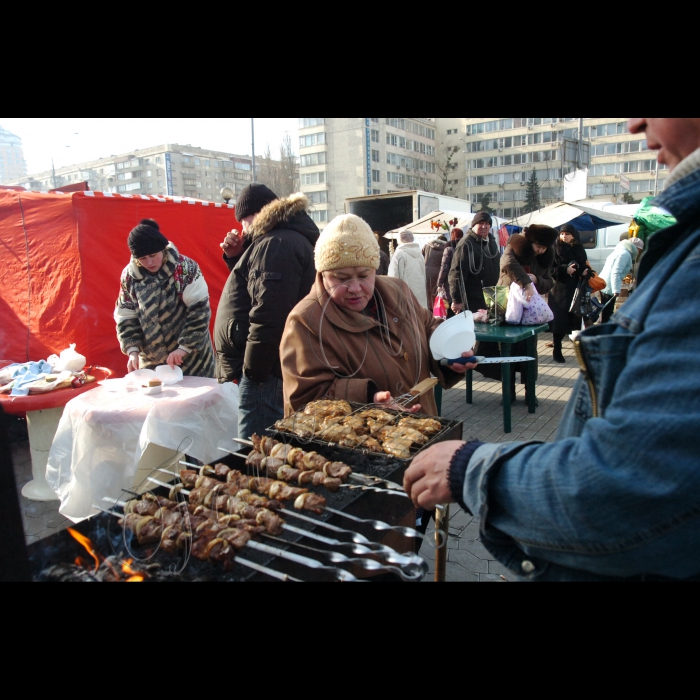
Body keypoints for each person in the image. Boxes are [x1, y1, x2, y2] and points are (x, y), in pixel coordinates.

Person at [403, 117, 700, 581]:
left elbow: (631, 486)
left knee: (526, 361)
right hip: (509, 309)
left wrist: (472, 470)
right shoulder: (502, 251)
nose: (635, 124)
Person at [280, 214, 469, 418]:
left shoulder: (398, 290)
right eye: (341, 278)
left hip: (422, 430)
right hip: (362, 444)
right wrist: (368, 397)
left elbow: (427, 326)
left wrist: (450, 351)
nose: (354, 288)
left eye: (363, 275)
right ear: (323, 274)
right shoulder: (304, 321)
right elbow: (303, 398)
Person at [213, 184, 320, 439]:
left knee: (257, 457)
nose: (242, 229)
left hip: (266, 370)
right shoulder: (277, 240)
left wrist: (255, 373)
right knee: (267, 451)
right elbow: (257, 294)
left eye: (244, 221)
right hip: (269, 367)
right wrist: (236, 257)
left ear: (258, 215)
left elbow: (269, 314)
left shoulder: (276, 244)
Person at [115, 219, 215, 377]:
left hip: (192, 360)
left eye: (153, 255)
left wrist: (184, 348)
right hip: (152, 363)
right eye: (142, 259)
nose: (149, 262)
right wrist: (132, 350)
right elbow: (126, 315)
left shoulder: (185, 269)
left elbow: (199, 311)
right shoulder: (130, 277)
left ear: (162, 249)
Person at [547, 224, 590, 363]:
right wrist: (565, 270)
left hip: (575, 289)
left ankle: (568, 346)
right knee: (559, 321)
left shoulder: (578, 248)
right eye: (562, 234)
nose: (564, 236)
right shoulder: (555, 249)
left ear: (573, 236)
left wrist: (583, 272)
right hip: (559, 290)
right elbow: (550, 270)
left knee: (572, 320)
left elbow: (583, 265)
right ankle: (557, 350)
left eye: (567, 234)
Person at [448, 212, 500, 315]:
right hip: (472, 300)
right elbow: (457, 272)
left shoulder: (491, 242)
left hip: (490, 297)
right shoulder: (466, 244)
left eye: (487, 223)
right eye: (481, 223)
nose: (484, 226)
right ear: (474, 225)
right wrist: (457, 299)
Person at [599, 237, 644, 324]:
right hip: (609, 286)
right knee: (607, 312)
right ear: (635, 247)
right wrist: (616, 289)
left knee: (606, 311)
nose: (639, 252)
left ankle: (604, 331)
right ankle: (605, 333)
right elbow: (616, 272)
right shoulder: (625, 254)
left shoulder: (620, 251)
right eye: (639, 249)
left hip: (605, 283)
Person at [388, 230, 429, 309]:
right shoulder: (420, 255)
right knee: (420, 317)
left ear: (399, 239)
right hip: (420, 293)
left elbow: (394, 277)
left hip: (406, 295)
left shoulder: (399, 254)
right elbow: (423, 275)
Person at [437, 228, 464, 319]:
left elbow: (444, 267)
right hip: (462, 280)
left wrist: (439, 283)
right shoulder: (465, 246)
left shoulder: (448, 248)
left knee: (449, 305)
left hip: (449, 280)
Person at [423, 232, 448, 307]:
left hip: (426, 272)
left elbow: (421, 257)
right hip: (438, 272)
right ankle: (436, 309)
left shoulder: (427, 246)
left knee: (427, 292)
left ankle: (428, 310)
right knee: (437, 292)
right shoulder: (445, 248)